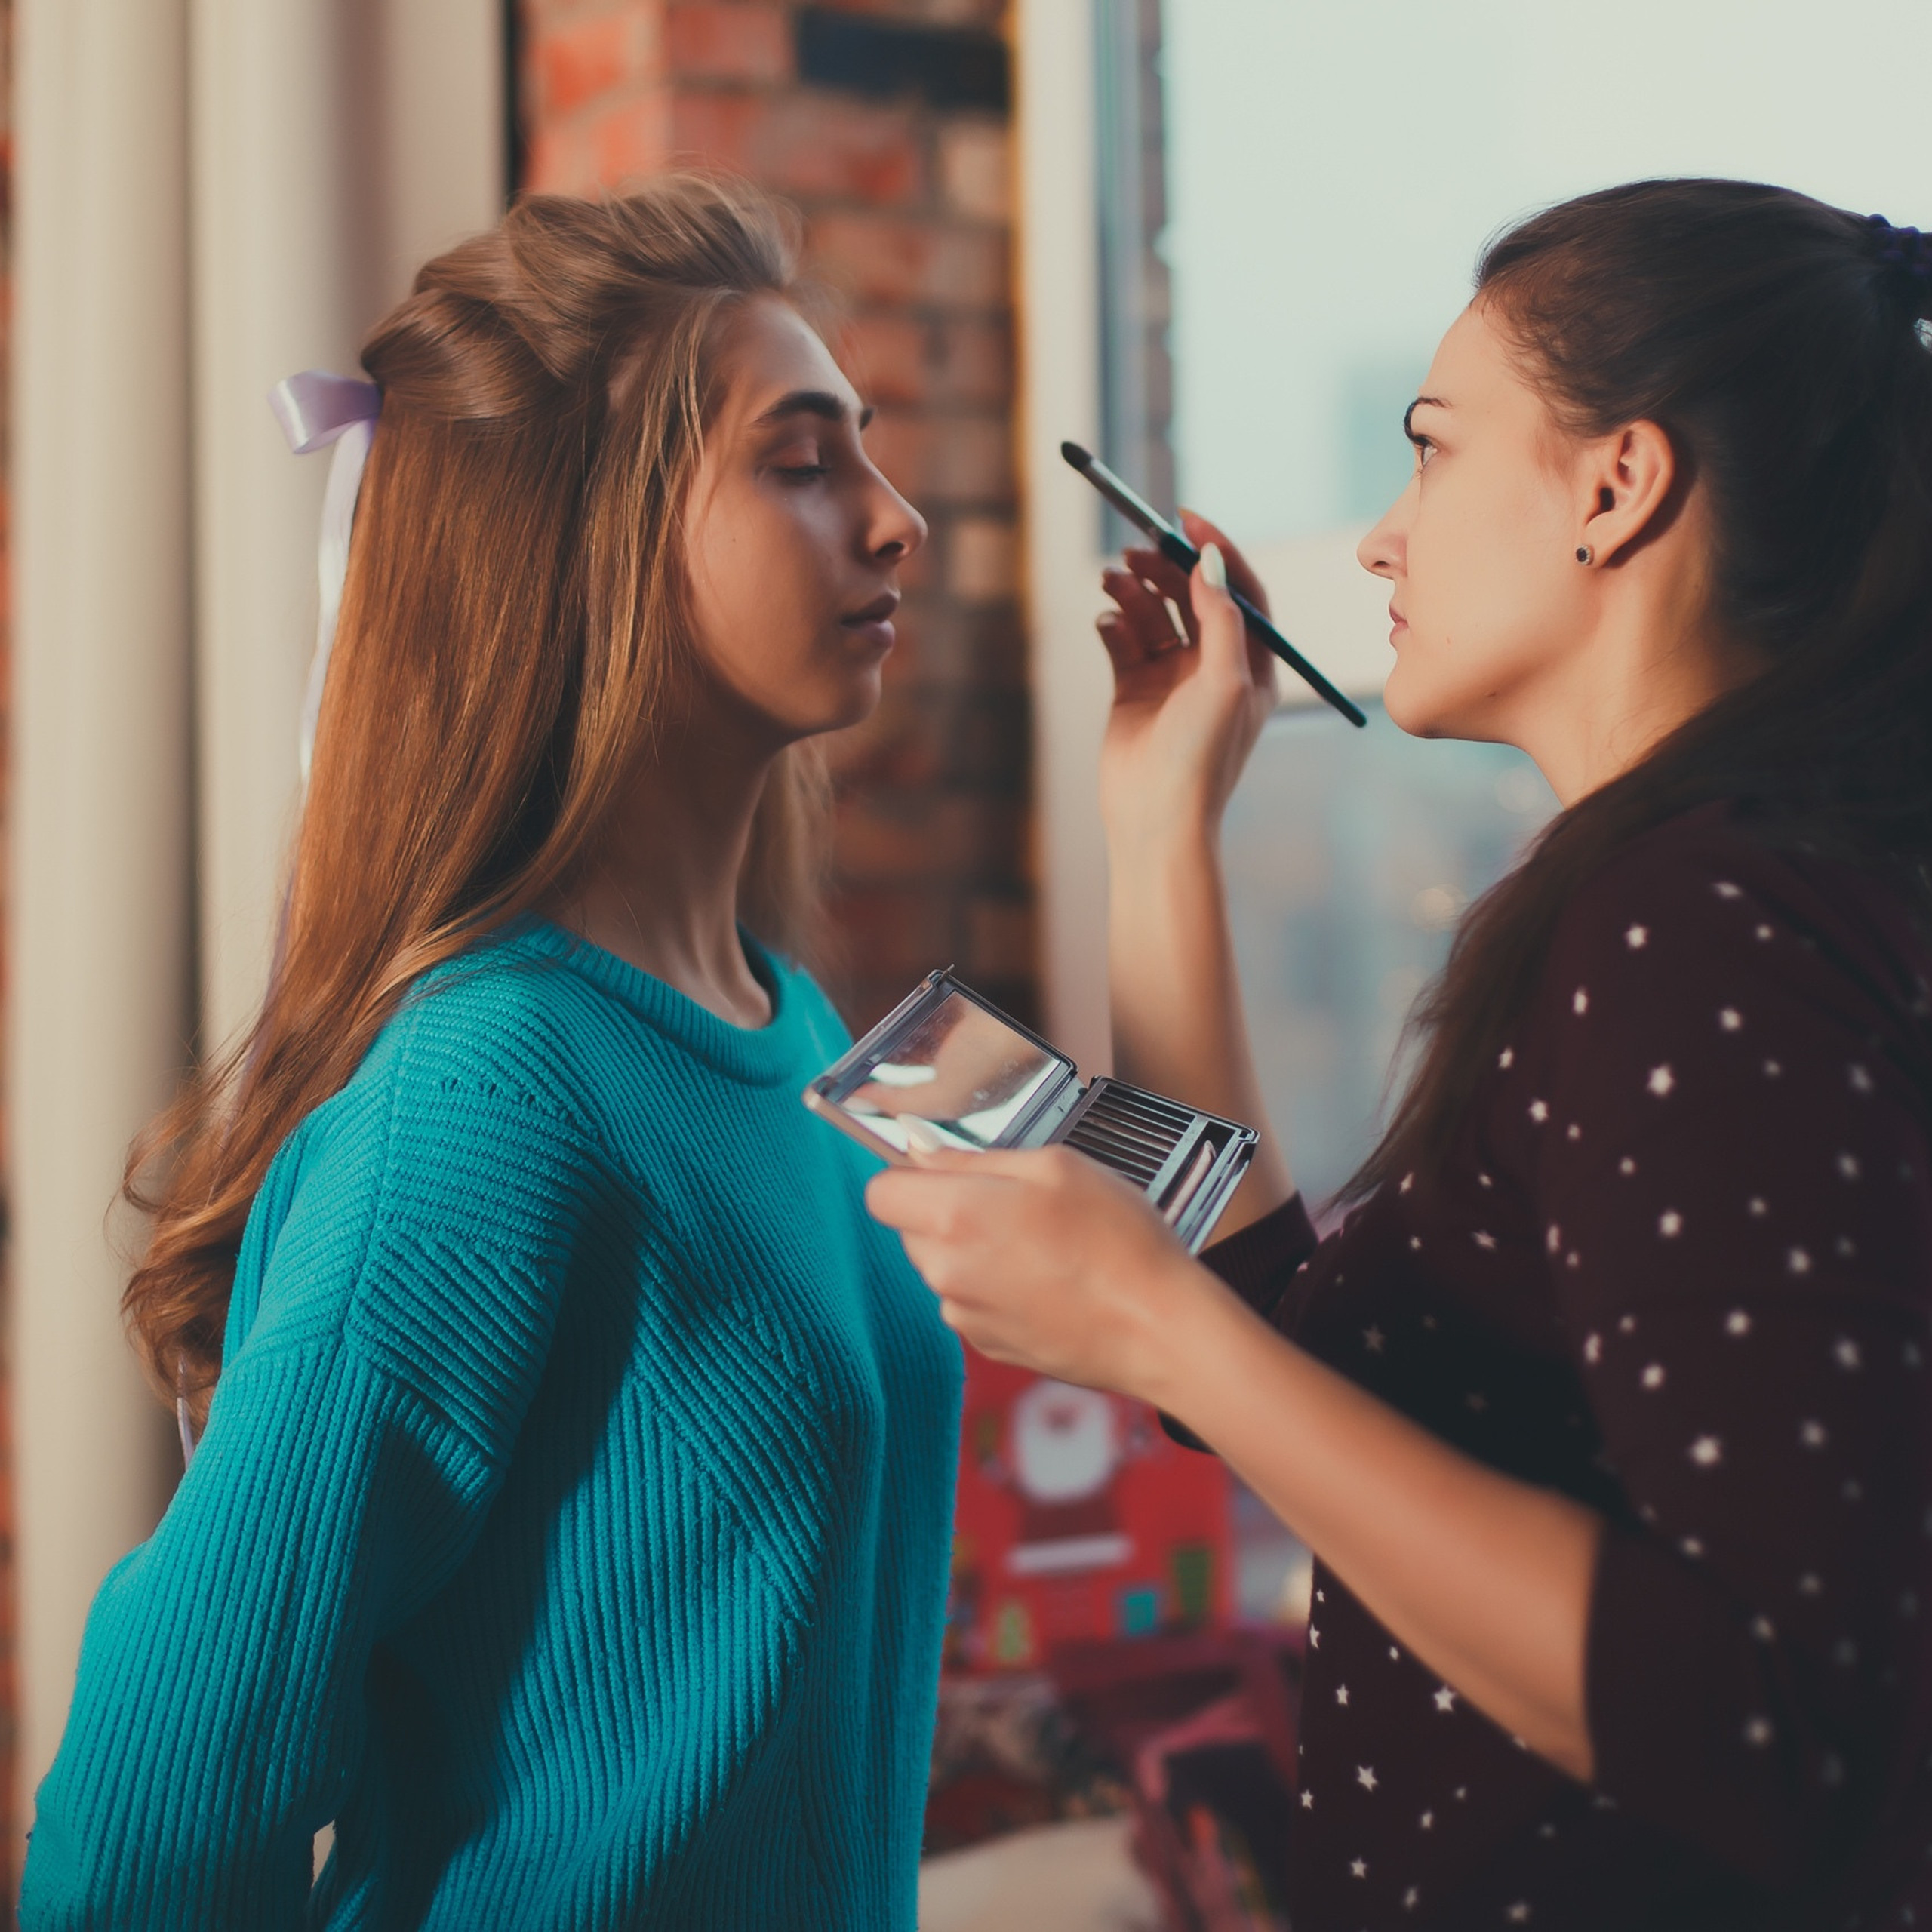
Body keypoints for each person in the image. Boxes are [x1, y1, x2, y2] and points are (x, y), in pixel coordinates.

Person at [869, 179, 1932, 1929]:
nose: (1376, 537)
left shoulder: (1699, 924)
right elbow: (1306, 1368)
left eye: (1432, 451)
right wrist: (1159, 828)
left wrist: (1153, 1323)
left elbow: (1782, 1721)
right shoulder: (1688, 892)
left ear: (1616, 485)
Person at [22, 177, 958, 1930]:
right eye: (801, 458)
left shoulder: (798, 1025)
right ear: (584, 535)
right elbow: (150, 1818)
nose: (893, 520)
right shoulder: (485, 1103)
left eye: (868, 452)